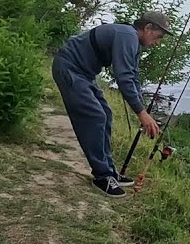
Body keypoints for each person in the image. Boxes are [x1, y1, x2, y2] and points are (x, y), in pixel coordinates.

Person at [52, 12, 169, 197]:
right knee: (95, 117)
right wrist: (140, 113)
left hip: (84, 74)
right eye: (159, 36)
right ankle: (102, 176)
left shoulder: (132, 41)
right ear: (147, 28)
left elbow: (133, 76)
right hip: (69, 68)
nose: (158, 42)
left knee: (105, 113)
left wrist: (143, 110)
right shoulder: (127, 36)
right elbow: (123, 78)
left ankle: (109, 171)